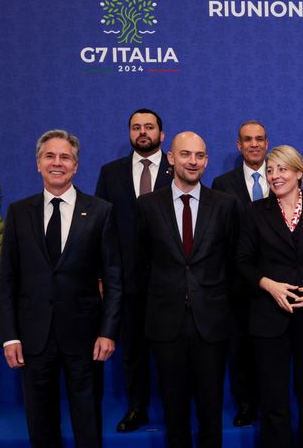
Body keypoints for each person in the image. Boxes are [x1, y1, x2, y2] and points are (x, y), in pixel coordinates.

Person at [0, 129, 122, 447]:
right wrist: (10, 334)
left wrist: (107, 331)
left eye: (65, 157)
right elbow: (8, 279)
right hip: (33, 338)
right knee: (40, 422)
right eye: (49, 156)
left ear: (76, 166)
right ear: (38, 164)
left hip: (84, 337)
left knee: (87, 420)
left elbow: (113, 278)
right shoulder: (18, 212)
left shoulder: (100, 211)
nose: (57, 163)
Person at [135, 131, 240, 448]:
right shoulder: (147, 206)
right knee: (174, 412)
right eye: (185, 154)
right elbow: (140, 263)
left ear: (206, 160)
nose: (192, 161)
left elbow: (234, 263)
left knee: (211, 412)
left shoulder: (225, 205)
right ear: (171, 157)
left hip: (212, 322)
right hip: (166, 323)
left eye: (199, 156)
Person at [236, 145, 303, 447]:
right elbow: (242, 262)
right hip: (269, 318)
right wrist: (270, 285)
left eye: (282, 169)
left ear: (299, 173)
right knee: (273, 403)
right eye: (270, 170)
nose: (274, 176)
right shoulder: (254, 212)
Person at [95, 108, 173, 432]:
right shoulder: (110, 173)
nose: (143, 132)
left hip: (169, 281)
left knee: (171, 353)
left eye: (149, 127)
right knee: (133, 353)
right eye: (136, 127)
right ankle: (136, 408)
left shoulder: (178, 168)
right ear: (129, 133)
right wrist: (101, 274)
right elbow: (100, 228)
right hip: (126, 280)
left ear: (161, 134)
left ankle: (175, 410)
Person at [211, 119, 268, 427]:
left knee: (270, 349)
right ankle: (246, 404)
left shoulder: (280, 176)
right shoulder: (223, 184)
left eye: (259, 138)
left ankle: (272, 401)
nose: (254, 144)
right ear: (239, 146)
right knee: (241, 349)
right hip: (237, 283)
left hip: (276, 281)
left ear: (267, 143)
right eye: (248, 139)